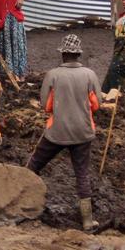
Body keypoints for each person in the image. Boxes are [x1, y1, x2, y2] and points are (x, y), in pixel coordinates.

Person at [26, 35, 101, 232]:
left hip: (56, 132)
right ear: (78, 55)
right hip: (83, 132)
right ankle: (87, 221)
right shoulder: (90, 75)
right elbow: (96, 105)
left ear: (63, 55)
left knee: (33, 165)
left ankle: (22, 203)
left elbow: (46, 106)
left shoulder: (53, 75)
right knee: (82, 174)